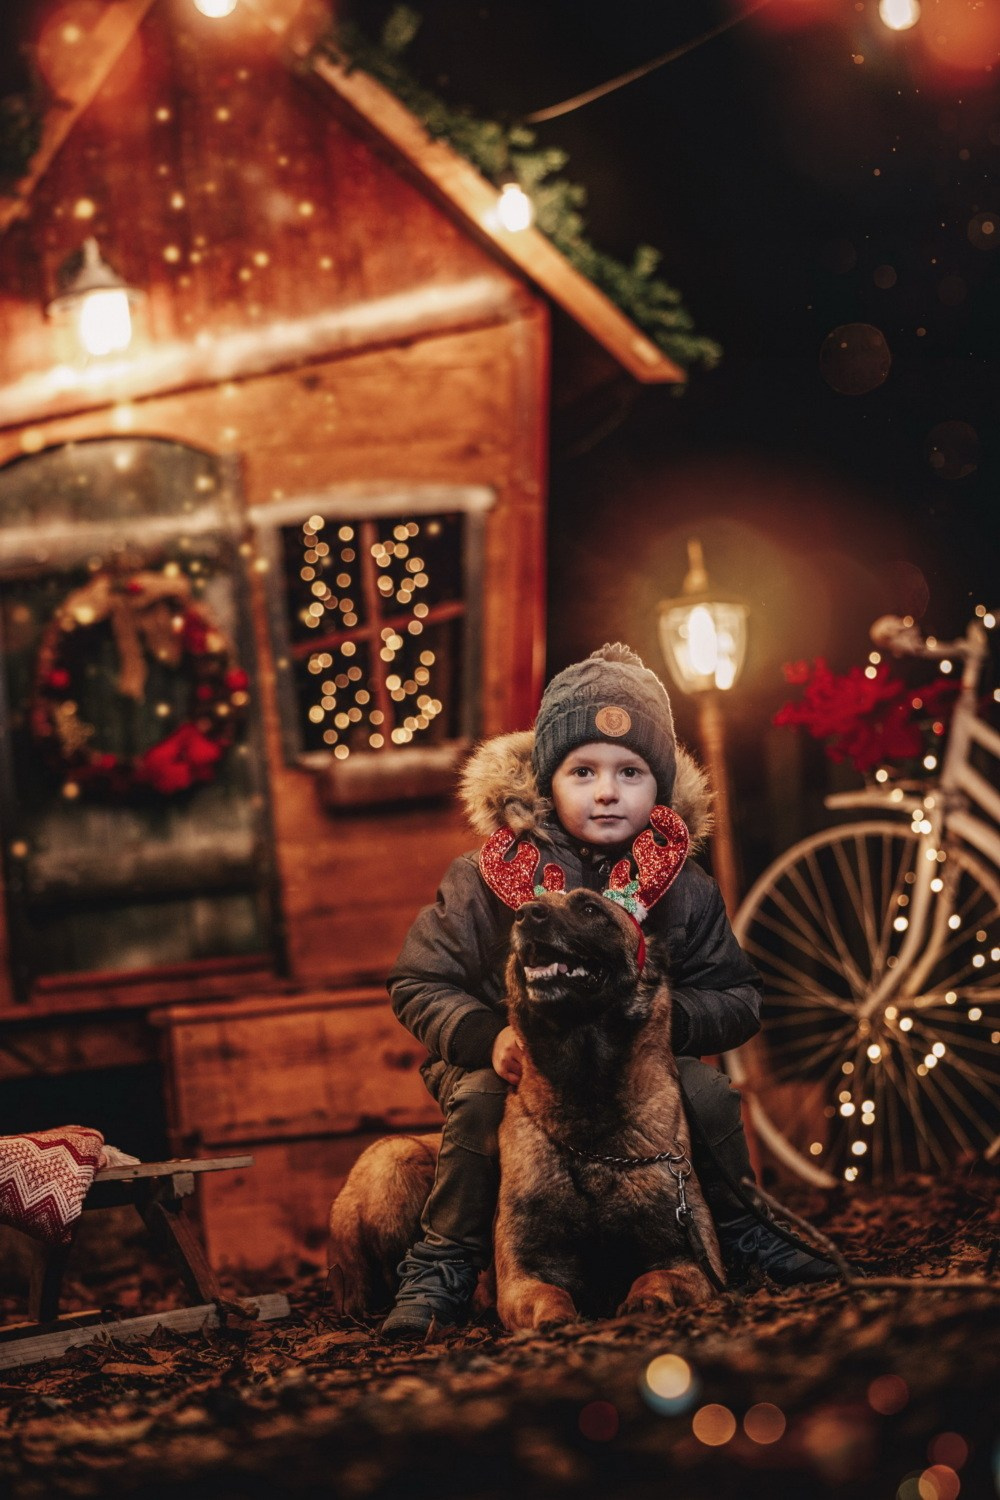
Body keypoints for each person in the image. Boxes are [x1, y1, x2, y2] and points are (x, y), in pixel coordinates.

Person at [381, 643, 836, 1341]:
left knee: (708, 1094)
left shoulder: (683, 885)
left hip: (631, 1067)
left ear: (660, 787)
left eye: (631, 773)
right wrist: (484, 1036)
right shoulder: (483, 876)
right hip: (513, 1062)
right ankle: (444, 1261)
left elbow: (739, 997)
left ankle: (740, 1228)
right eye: (582, 771)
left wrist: (661, 1025)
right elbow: (419, 979)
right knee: (474, 1106)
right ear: (544, 782)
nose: (606, 791)